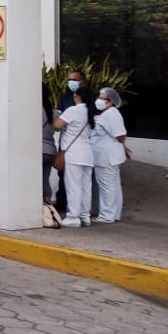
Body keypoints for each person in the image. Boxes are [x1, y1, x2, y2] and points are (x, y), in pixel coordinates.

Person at [54, 86, 95, 228]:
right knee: (85, 186)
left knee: (73, 186)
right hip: (88, 153)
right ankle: (85, 216)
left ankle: (73, 216)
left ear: (77, 97)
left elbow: (57, 125)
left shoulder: (73, 110)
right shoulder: (91, 112)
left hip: (74, 153)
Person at [92, 87, 129, 224]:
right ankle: (114, 214)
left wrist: (122, 144)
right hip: (107, 155)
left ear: (111, 101)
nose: (99, 100)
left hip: (106, 156)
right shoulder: (107, 113)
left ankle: (107, 215)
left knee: (106, 185)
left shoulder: (110, 114)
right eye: (99, 97)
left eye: (102, 98)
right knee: (113, 185)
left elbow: (120, 135)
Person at [42, 84, 58, 203]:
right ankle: (48, 210)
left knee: (33, 182)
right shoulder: (54, 113)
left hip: (37, 150)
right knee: (45, 180)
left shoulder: (31, 111)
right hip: (50, 150)